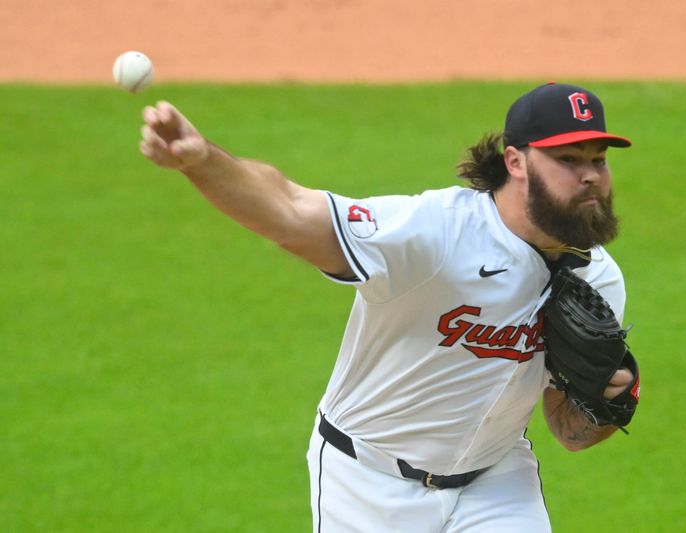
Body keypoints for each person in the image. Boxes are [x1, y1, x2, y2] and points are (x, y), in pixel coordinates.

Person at [139, 82, 637, 532]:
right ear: (515, 162)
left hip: (496, 481)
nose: (590, 176)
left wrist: (612, 401)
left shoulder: (598, 280)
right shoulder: (436, 232)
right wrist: (201, 160)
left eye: (598, 160)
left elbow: (569, 432)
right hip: (367, 484)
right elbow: (290, 211)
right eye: (568, 160)